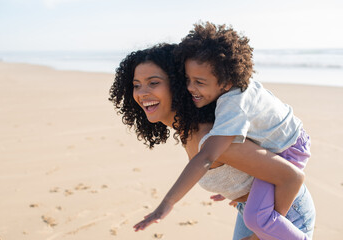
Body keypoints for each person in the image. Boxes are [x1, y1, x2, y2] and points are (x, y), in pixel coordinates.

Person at [108, 43, 315, 239]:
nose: (142, 93)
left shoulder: (212, 137)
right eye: (136, 85)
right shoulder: (189, 129)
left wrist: (166, 204)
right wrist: (234, 189)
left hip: (284, 214)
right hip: (253, 212)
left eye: (153, 83)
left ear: (178, 86)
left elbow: (291, 177)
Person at [173, 22, 315, 239]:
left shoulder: (233, 103)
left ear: (227, 81)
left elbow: (209, 153)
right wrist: (235, 187)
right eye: (188, 80)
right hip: (287, 142)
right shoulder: (232, 92)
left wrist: (168, 202)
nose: (191, 88)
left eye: (199, 82)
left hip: (289, 148)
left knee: (256, 218)